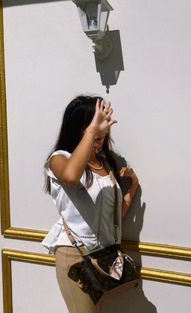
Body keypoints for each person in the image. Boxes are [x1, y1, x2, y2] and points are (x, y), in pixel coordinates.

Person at [41, 95, 139, 313]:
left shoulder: (104, 162)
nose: (101, 129)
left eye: (102, 122)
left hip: (104, 256)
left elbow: (112, 218)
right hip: (76, 256)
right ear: (78, 128)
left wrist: (131, 187)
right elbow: (70, 176)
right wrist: (93, 131)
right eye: (93, 124)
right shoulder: (59, 159)